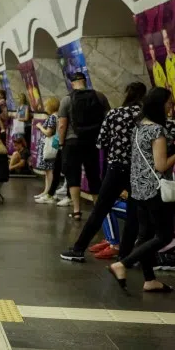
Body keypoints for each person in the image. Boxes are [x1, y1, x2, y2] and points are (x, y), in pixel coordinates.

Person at [108, 87, 175, 293]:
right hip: (156, 191)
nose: (171, 106)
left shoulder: (139, 128)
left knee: (145, 236)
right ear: (159, 105)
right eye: (169, 103)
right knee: (163, 236)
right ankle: (123, 264)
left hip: (138, 189)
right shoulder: (158, 131)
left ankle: (150, 279)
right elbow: (161, 166)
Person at [60, 82, 147, 262]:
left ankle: (78, 249)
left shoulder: (115, 113)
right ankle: (125, 256)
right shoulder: (145, 116)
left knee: (100, 209)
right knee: (133, 213)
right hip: (138, 169)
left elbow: (101, 142)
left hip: (116, 167)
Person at [57, 72, 110, 219]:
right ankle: (98, 211)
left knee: (73, 175)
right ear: (85, 81)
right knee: (93, 174)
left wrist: (61, 142)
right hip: (92, 141)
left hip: (72, 142)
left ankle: (76, 210)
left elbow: (62, 125)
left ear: (72, 83)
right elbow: (108, 119)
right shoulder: (100, 97)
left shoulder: (67, 99)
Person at [34, 97, 62, 204]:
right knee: (47, 170)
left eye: (46, 105)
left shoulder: (52, 118)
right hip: (50, 146)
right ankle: (46, 191)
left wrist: (40, 126)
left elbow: (48, 133)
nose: (45, 107)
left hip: (49, 147)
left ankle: (49, 192)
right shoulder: (56, 116)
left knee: (49, 170)